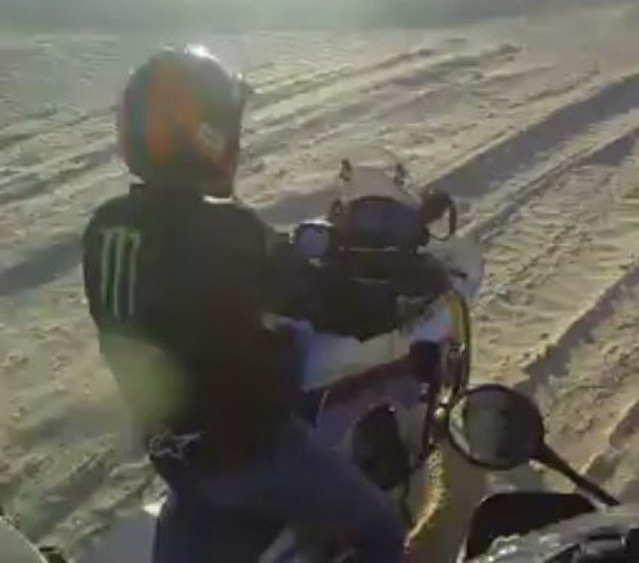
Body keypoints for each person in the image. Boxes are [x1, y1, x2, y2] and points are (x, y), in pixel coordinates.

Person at [81, 46, 406, 562]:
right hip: (250, 454)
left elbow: (180, 314)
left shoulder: (106, 227)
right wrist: (391, 303)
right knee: (383, 528)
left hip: (174, 453)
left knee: (288, 344)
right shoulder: (225, 231)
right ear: (208, 137)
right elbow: (321, 297)